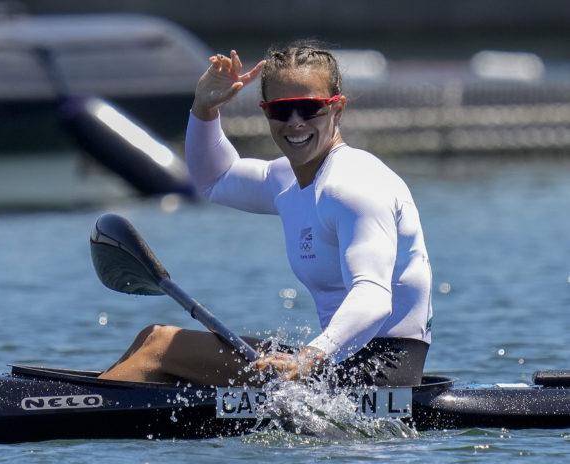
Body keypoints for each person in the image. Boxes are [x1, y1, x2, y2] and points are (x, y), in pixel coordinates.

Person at [99, 41, 433, 387]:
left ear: (338, 109)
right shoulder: (287, 179)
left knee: (159, 347)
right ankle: (85, 401)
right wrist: (204, 109)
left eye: (309, 108)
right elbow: (215, 178)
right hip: (334, 359)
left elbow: (374, 296)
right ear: (266, 112)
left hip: (382, 372)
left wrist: (309, 357)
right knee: (151, 340)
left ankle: (75, 413)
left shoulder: (353, 185)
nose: (295, 122)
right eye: (280, 110)